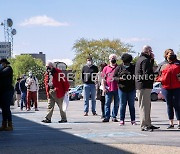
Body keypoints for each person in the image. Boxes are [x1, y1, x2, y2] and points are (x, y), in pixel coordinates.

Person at [135, 45, 160, 131]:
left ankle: (148, 123)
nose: (152, 53)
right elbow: (147, 73)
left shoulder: (143, 59)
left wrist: (152, 60)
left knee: (147, 105)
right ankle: (144, 125)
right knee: (143, 106)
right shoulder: (145, 60)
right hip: (144, 85)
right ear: (148, 51)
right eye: (151, 51)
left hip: (144, 85)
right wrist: (154, 76)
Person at [156, 49, 180, 129]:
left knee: (177, 104)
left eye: (172, 53)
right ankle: (171, 123)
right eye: (170, 54)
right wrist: (161, 79)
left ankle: (179, 122)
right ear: (166, 55)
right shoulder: (162, 65)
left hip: (177, 87)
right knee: (169, 105)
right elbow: (157, 75)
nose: (171, 55)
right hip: (166, 88)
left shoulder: (178, 63)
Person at [114, 53, 136, 125]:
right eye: (125, 62)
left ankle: (133, 120)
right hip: (122, 89)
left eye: (127, 62)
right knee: (122, 105)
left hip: (131, 89)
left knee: (131, 105)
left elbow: (137, 76)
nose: (126, 64)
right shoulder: (119, 67)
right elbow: (114, 77)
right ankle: (121, 120)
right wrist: (119, 79)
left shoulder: (133, 67)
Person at [102, 54, 119, 122]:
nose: (113, 59)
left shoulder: (119, 67)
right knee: (107, 103)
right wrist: (104, 87)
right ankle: (107, 117)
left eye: (114, 58)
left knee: (116, 104)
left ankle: (114, 117)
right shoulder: (105, 68)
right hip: (108, 89)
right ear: (109, 59)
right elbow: (103, 78)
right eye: (111, 58)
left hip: (117, 89)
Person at [0, 58, 14, 131]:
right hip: (3, 91)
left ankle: (10, 125)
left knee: (6, 108)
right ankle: (4, 124)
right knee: (3, 108)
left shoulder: (8, 68)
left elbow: (1, 74)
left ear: (4, 63)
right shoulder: (3, 69)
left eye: (1, 63)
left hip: (8, 91)